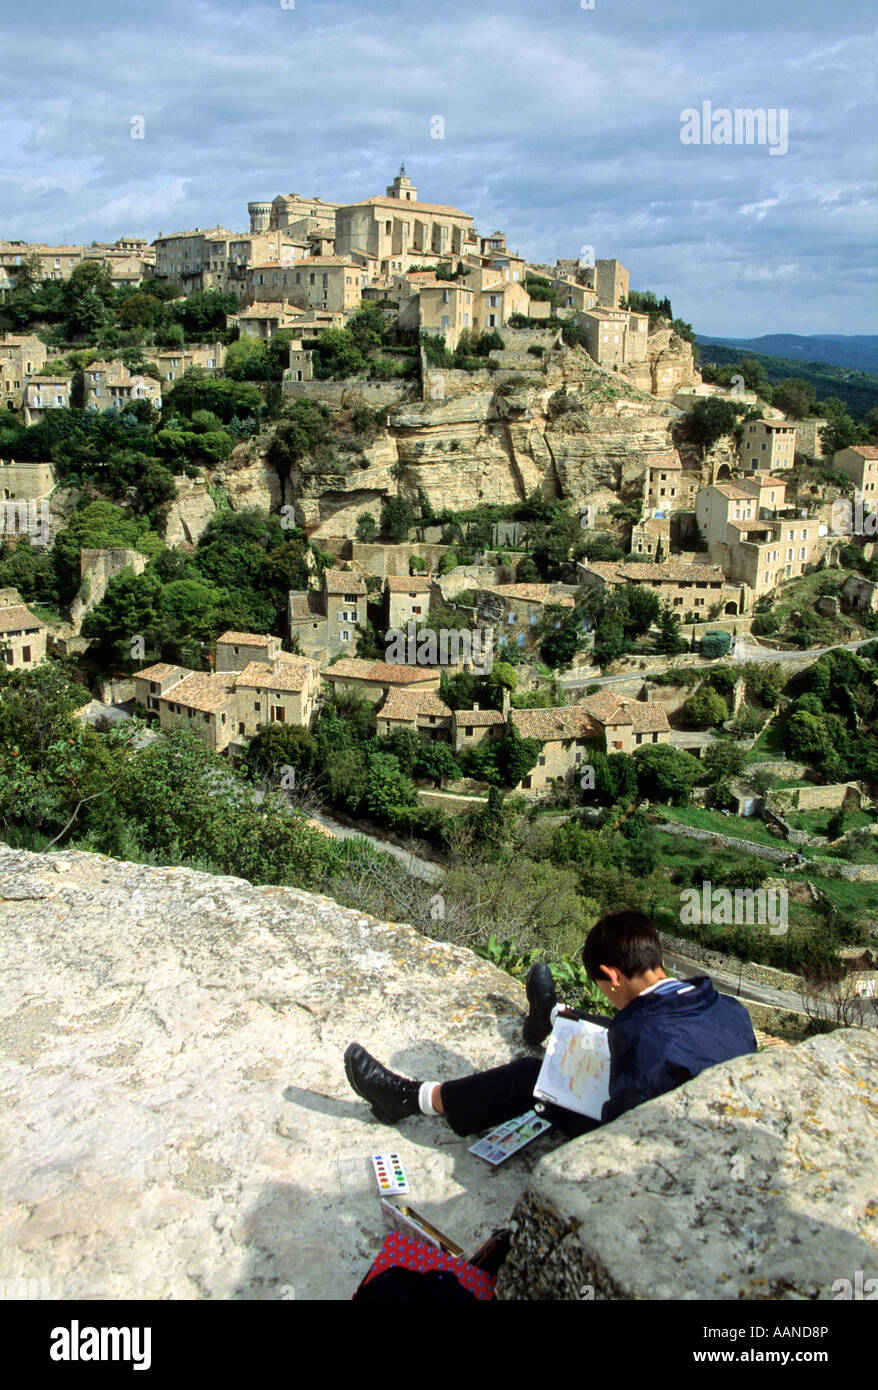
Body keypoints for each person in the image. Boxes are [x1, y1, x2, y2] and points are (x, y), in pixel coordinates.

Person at [344, 910, 757, 1140]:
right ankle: (551, 1015)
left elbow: (622, 1130)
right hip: (707, 1104)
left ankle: (411, 1098)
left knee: (532, 1077)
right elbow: (650, 1034)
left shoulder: (643, 1038)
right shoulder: (729, 1007)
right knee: (609, 1032)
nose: (608, 998)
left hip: (664, 1132)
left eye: (605, 989)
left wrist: (566, 1083)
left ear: (612, 976)